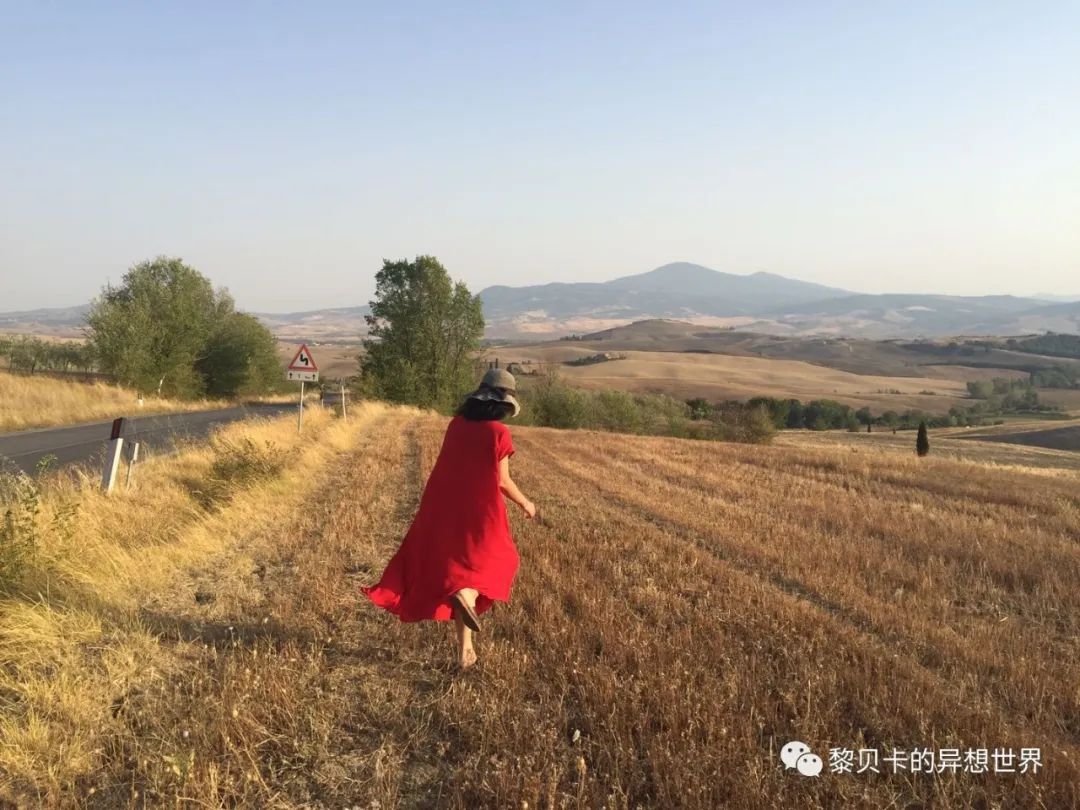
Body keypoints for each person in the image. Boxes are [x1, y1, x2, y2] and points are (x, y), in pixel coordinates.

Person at [362, 368, 536, 669]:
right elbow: (503, 481)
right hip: (481, 511)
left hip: (443, 506)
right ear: (503, 404)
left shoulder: (456, 425)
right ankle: (465, 597)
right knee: (502, 560)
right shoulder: (499, 433)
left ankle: (465, 650)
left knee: (461, 571)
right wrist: (526, 503)